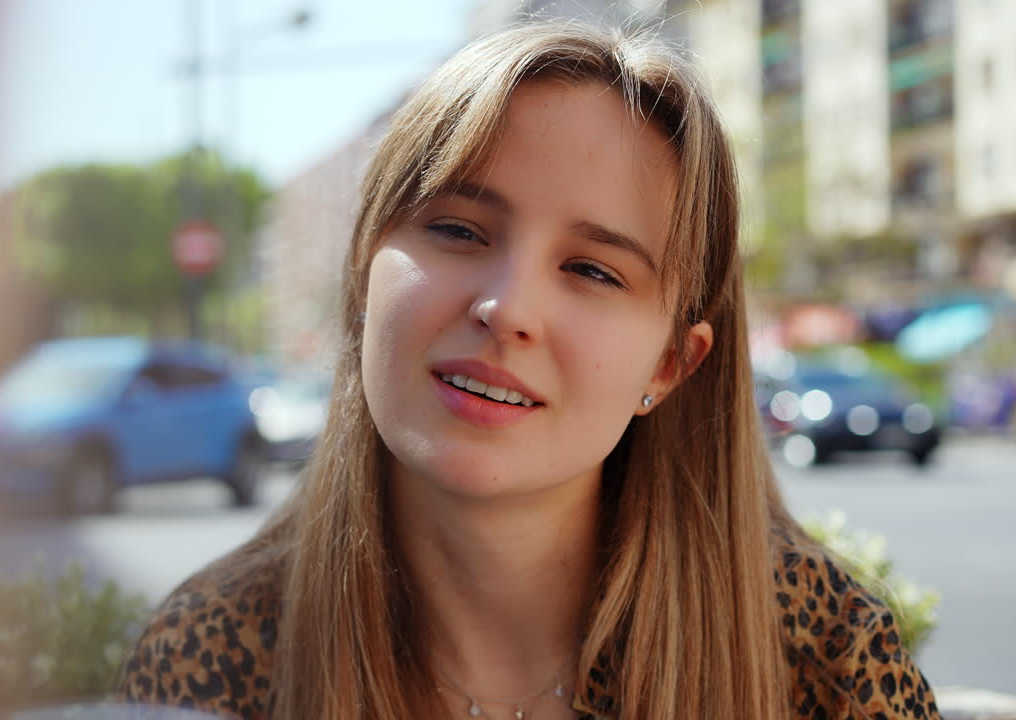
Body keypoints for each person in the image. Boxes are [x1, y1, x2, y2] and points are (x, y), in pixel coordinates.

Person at [117, 21, 940, 720]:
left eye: (592, 270)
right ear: (366, 272)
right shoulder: (211, 659)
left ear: (670, 363)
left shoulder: (821, 655)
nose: (508, 310)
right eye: (461, 231)